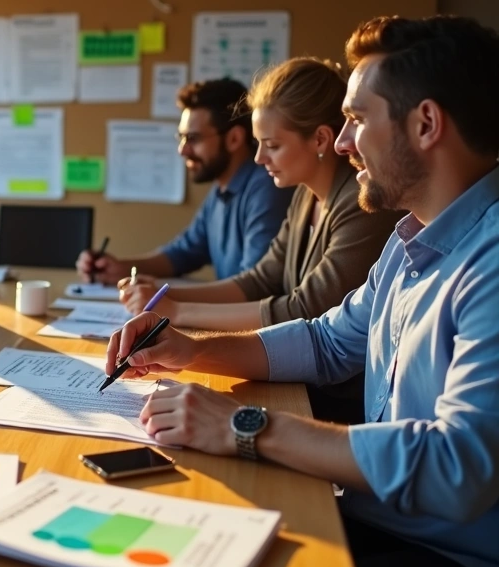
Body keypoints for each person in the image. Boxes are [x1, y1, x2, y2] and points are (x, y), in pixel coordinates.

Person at [107, 15, 499, 567]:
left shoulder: (489, 261)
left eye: (357, 119)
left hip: (449, 559)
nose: (341, 143)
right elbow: (326, 341)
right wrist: (191, 349)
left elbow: (456, 470)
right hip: (377, 518)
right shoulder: (408, 239)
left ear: (426, 124)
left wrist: (245, 425)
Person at [119, 59, 405, 423]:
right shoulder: (305, 196)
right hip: (299, 384)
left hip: (335, 402)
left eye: (272, 145)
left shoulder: (359, 203)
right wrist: (170, 298)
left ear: (320, 139)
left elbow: (304, 309)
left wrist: (178, 311)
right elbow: (261, 278)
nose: (258, 158)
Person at [77, 79, 293, 283]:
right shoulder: (221, 190)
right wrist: (120, 268)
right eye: (181, 138)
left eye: (193, 138)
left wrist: (170, 299)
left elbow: (253, 285)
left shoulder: (267, 188)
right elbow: (183, 253)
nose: (182, 150)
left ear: (234, 139)